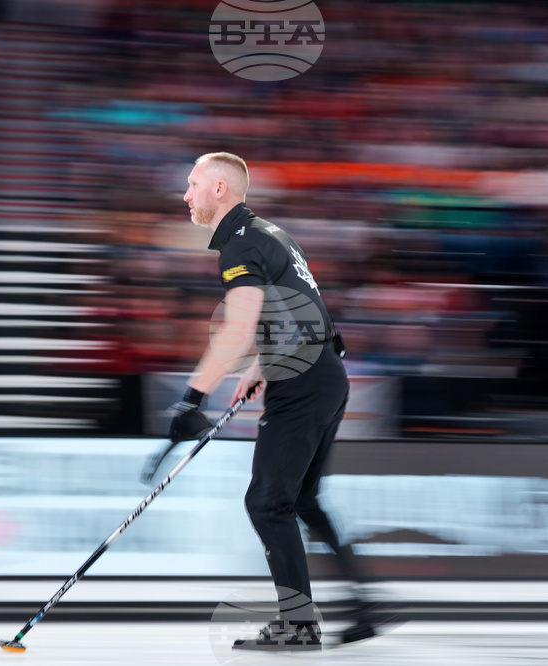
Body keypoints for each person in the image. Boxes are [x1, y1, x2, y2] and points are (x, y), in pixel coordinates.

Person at [168, 152, 367, 651]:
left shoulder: (240, 246)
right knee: (299, 501)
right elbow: (301, 314)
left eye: (193, 184)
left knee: (266, 502)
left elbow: (236, 330)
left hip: (302, 383)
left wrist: (191, 398)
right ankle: (366, 605)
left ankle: (299, 625)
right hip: (322, 372)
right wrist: (261, 368)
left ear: (220, 190)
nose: (186, 194)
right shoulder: (271, 235)